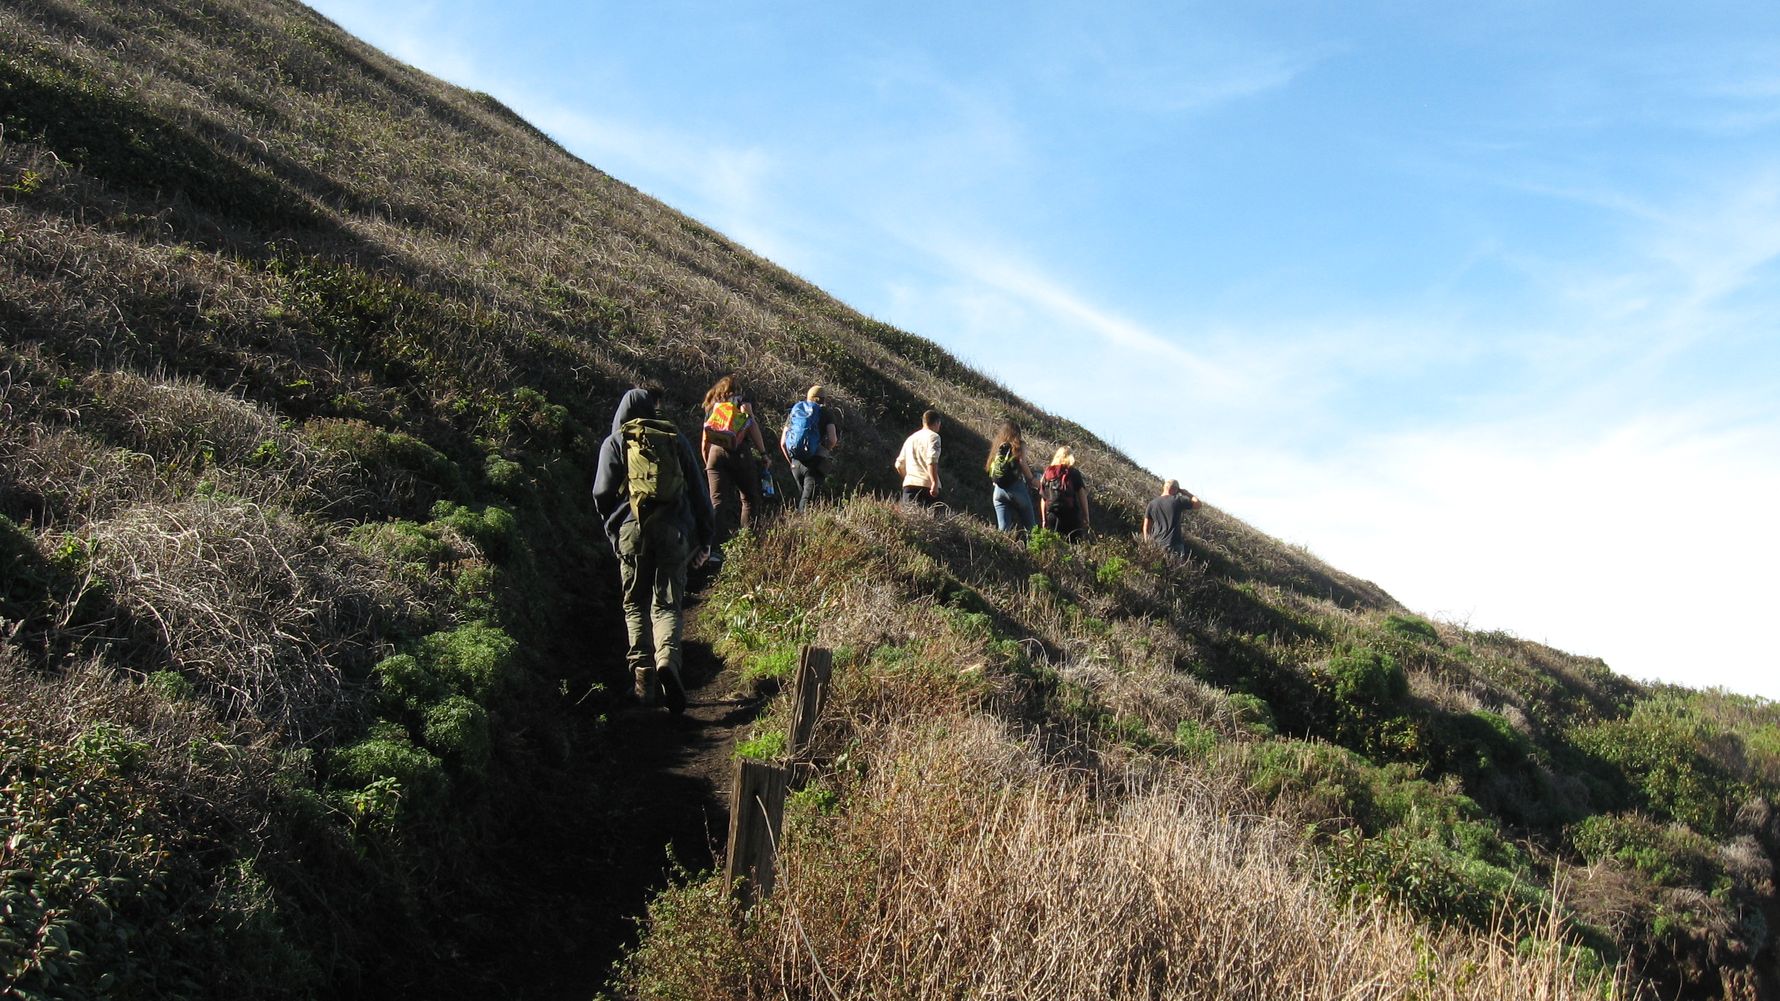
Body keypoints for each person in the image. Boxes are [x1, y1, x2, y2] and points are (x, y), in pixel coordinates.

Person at [591, 386, 715, 713]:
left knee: (635, 602)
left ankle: (642, 672)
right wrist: (705, 539)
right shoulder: (674, 439)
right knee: (667, 605)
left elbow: (601, 494)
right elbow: (699, 493)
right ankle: (667, 662)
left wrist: (614, 529)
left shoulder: (615, 442)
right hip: (674, 532)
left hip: (631, 532)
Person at [700, 374, 770, 547]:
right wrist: (763, 453)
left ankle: (713, 548)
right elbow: (751, 425)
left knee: (717, 502)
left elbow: (705, 439)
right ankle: (746, 544)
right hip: (739, 453)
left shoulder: (712, 407)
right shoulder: (741, 402)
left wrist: (708, 462)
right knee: (749, 498)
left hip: (715, 453)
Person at [780, 384, 840, 512]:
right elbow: (832, 439)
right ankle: (800, 523)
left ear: (808, 397)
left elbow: (783, 443)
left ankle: (796, 522)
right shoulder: (825, 412)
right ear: (824, 399)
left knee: (803, 499)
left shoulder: (797, 411)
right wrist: (824, 450)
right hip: (814, 464)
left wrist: (791, 462)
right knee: (807, 506)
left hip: (796, 463)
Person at [984, 419, 1039, 534]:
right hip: (1017, 489)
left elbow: (992, 467)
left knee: (1003, 530)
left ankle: (1001, 545)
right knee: (1031, 528)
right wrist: (1032, 479)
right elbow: (1022, 463)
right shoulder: (1019, 445)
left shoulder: (997, 446)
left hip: (998, 490)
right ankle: (1036, 545)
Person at [1038, 445, 1092, 541]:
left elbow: (1043, 497)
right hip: (1070, 514)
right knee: (1074, 544)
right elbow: (1082, 496)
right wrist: (1086, 516)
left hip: (1052, 514)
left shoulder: (1048, 472)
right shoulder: (1074, 473)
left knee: (1054, 544)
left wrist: (1044, 519)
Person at [894, 409, 943, 507]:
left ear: (924, 422)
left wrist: (909, 477)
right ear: (937, 423)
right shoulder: (934, 437)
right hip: (927, 487)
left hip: (909, 485)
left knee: (908, 515)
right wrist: (934, 482)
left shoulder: (911, 438)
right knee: (930, 516)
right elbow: (932, 460)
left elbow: (898, 464)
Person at [1142, 479, 1203, 557]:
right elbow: (1198, 504)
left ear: (1164, 487)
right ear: (1175, 489)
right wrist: (1186, 493)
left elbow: (1146, 527)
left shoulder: (1152, 504)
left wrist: (1148, 543)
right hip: (1174, 544)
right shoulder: (1178, 500)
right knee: (1175, 564)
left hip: (1157, 543)